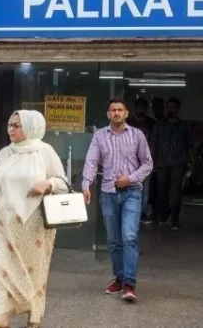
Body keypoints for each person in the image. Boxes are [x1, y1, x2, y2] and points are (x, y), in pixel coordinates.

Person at [0, 110, 69, 328]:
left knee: (32, 272)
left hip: (34, 226)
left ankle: (34, 317)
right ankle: (2, 315)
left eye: (17, 125)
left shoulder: (44, 151)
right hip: (4, 223)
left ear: (32, 127)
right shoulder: (5, 153)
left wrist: (48, 183)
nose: (11, 129)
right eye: (10, 124)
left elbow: (63, 183)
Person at [81, 98, 153, 303]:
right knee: (114, 240)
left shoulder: (137, 135)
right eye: (113, 110)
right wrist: (86, 185)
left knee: (129, 236)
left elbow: (148, 164)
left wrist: (129, 179)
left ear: (126, 113)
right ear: (108, 114)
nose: (116, 113)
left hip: (132, 192)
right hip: (108, 193)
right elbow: (92, 161)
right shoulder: (99, 136)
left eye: (120, 109)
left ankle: (129, 283)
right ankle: (119, 278)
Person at [152, 97, 191, 231]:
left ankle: (175, 219)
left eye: (173, 107)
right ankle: (162, 215)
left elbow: (189, 145)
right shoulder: (159, 125)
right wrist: (153, 162)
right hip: (162, 162)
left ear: (178, 109)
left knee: (175, 192)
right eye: (168, 107)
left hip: (178, 163)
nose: (170, 109)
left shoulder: (184, 125)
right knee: (161, 191)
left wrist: (190, 163)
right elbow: (154, 145)